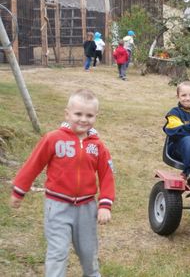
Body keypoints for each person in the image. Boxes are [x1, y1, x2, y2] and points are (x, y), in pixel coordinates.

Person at [10, 89, 115, 276]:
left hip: (86, 208)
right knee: (58, 251)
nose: (83, 119)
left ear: (96, 117)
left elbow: (107, 175)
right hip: (57, 207)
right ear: (67, 114)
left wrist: (105, 204)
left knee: (88, 252)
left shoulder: (97, 146)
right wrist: (19, 190)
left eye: (89, 115)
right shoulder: (53, 139)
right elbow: (33, 164)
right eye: (78, 114)